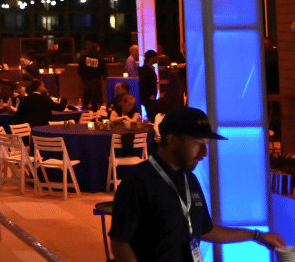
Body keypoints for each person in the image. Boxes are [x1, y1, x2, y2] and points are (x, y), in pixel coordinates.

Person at [108, 107, 286, 261]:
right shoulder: (138, 181)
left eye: (206, 144)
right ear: (172, 141)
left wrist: (256, 236)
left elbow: (205, 230)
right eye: (197, 143)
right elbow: (120, 242)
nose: (204, 153)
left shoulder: (189, 179)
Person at [78, 42, 108, 111]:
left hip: (86, 79)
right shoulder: (98, 56)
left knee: (86, 95)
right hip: (96, 79)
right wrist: (105, 77)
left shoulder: (85, 55)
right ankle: (95, 110)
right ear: (97, 48)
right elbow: (103, 67)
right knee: (95, 96)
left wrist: (81, 75)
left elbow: (80, 66)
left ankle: (84, 109)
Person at [139, 50, 159, 118]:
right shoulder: (146, 70)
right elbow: (144, 83)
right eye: (155, 57)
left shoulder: (148, 68)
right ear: (151, 58)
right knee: (151, 114)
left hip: (150, 96)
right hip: (149, 97)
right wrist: (150, 94)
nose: (157, 59)